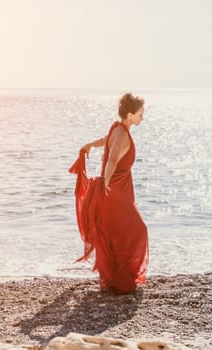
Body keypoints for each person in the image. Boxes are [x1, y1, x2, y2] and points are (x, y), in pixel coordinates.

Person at [69, 92, 149, 294]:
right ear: (130, 114)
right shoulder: (122, 133)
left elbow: (106, 140)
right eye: (140, 113)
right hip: (114, 189)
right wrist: (106, 181)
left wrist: (90, 145)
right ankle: (121, 277)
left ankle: (116, 277)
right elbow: (112, 159)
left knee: (116, 232)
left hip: (117, 188)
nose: (142, 117)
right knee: (138, 230)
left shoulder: (117, 128)